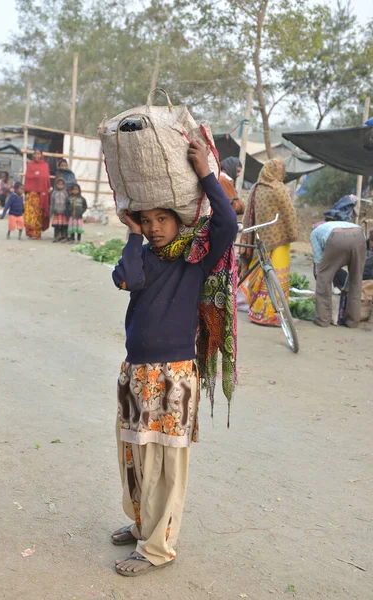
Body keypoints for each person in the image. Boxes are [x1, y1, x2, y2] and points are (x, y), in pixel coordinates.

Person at [111, 140, 238, 577]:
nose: (154, 227)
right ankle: (144, 524)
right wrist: (131, 235)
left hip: (174, 375)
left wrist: (204, 171)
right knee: (135, 454)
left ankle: (158, 548)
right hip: (135, 372)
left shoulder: (194, 258)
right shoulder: (140, 256)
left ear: (178, 219)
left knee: (166, 461)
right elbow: (127, 279)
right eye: (146, 221)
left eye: (161, 218)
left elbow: (227, 221)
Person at [239, 158, 297, 326]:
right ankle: (273, 315)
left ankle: (257, 312)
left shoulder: (255, 189)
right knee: (276, 276)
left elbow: (248, 215)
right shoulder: (280, 189)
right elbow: (289, 213)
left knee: (260, 274)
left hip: (260, 239)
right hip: (279, 240)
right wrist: (291, 233)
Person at [310, 220, 366, 327]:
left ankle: (323, 319)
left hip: (336, 239)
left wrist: (321, 277)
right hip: (359, 235)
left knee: (324, 277)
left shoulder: (315, 233)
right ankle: (352, 321)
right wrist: (345, 288)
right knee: (356, 278)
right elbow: (353, 273)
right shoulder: (334, 224)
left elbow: (318, 261)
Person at [24, 149, 51, 239]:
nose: (36, 155)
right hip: (31, 193)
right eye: (35, 153)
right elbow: (28, 177)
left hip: (41, 194)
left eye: (38, 153)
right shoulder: (30, 165)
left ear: (41, 155)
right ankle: (29, 232)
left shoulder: (45, 165)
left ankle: (37, 233)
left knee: (38, 213)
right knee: (30, 213)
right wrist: (36, 175)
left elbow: (46, 178)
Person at [50, 177, 69, 242]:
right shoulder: (54, 193)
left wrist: (67, 212)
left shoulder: (65, 193)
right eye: (59, 184)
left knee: (64, 225)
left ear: (64, 185)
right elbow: (52, 203)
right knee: (56, 226)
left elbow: (67, 203)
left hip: (63, 213)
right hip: (56, 212)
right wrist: (51, 212)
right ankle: (56, 237)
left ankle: (64, 237)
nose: (60, 186)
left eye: (62, 184)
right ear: (56, 184)